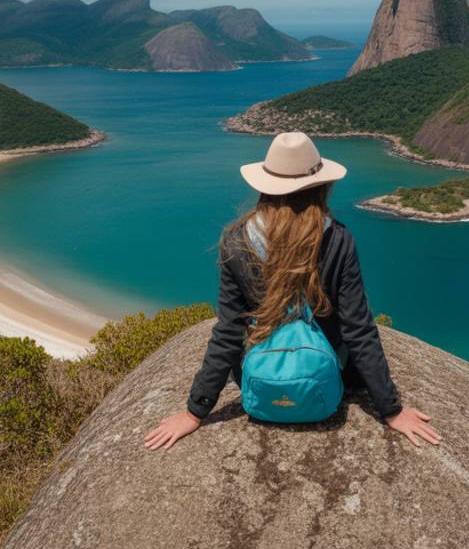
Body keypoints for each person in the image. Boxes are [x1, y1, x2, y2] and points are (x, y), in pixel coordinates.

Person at [145, 131, 441, 451]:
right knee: (350, 350)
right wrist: (391, 411)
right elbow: (358, 328)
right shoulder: (338, 239)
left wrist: (195, 411)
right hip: (331, 368)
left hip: (258, 368)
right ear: (322, 187)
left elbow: (228, 331)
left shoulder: (236, 241)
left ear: (265, 187)